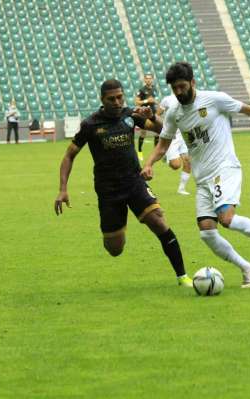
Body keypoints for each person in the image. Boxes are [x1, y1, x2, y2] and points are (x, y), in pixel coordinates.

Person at [142, 62, 250, 289]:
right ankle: (246, 267)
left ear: (192, 83)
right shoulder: (174, 113)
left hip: (224, 168)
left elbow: (249, 109)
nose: (179, 92)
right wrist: (149, 164)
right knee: (207, 232)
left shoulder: (214, 99)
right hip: (203, 178)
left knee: (226, 219)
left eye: (182, 86)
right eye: (174, 88)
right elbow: (162, 144)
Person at [54, 79, 193, 287]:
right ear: (102, 100)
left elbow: (163, 130)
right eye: (112, 99)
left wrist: (152, 117)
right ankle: (116, 229)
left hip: (134, 182)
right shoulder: (91, 125)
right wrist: (63, 189)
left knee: (158, 221)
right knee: (115, 248)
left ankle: (183, 277)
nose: (118, 102)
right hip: (108, 191)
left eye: (120, 97)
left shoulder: (130, 115)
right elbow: (69, 155)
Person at [158, 94, 192, 195]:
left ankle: (181, 189)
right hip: (172, 136)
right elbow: (157, 114)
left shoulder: (189, 99)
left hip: (183, 134)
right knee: (176, 165)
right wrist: (164, 127)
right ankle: (165, 154)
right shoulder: (167, 99)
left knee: (188, 161)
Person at [134, 73, 158, 161]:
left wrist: (156, 102)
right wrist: (147, 100)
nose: (148, 80)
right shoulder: (141, 90)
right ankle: (140, 151)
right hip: (144, 114)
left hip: (153, 113)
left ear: (152, 79)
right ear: (144, 80)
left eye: (150, 78)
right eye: (147, 78)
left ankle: (156, 152)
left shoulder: (154, 89)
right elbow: (137, 102)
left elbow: (154, 100)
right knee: (143, 133)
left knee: (157, 133)